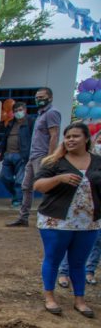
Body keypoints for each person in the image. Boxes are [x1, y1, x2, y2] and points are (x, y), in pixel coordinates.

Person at [32, 122, 101, 318]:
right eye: (68, 136)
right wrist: (58, 179)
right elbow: (38, 185)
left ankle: (80, 300)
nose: (70, 140)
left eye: (75, 136)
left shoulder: (97, 162)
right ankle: (49, 297)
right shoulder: (54, 162)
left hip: (88, 222)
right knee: (53, 259)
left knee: (78, 262)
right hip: (56, 221)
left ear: (86, 139)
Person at [7, 87, 61, 227]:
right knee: (26, 187)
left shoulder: (52, 113)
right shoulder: (40, 115)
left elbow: (54, 135)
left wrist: (50, 158)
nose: (38, 100)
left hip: (42, 156)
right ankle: (23, 217)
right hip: (33, 156)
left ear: (50, 98)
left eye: (42, 97)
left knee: (45, 187)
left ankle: (49, 219)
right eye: (37, 97)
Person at [0, 102, 34, 208]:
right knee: (4, 177)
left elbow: (35, 139)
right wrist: (0, 151)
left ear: (25, 110)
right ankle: (17, 194)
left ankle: (17, 200)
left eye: (20, 110)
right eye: (16, 111)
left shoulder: (31, 122)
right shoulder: (11, 123)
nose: (18, 113)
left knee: (19, 180)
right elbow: (4, 138)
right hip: (8, 155)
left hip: (22, 155)